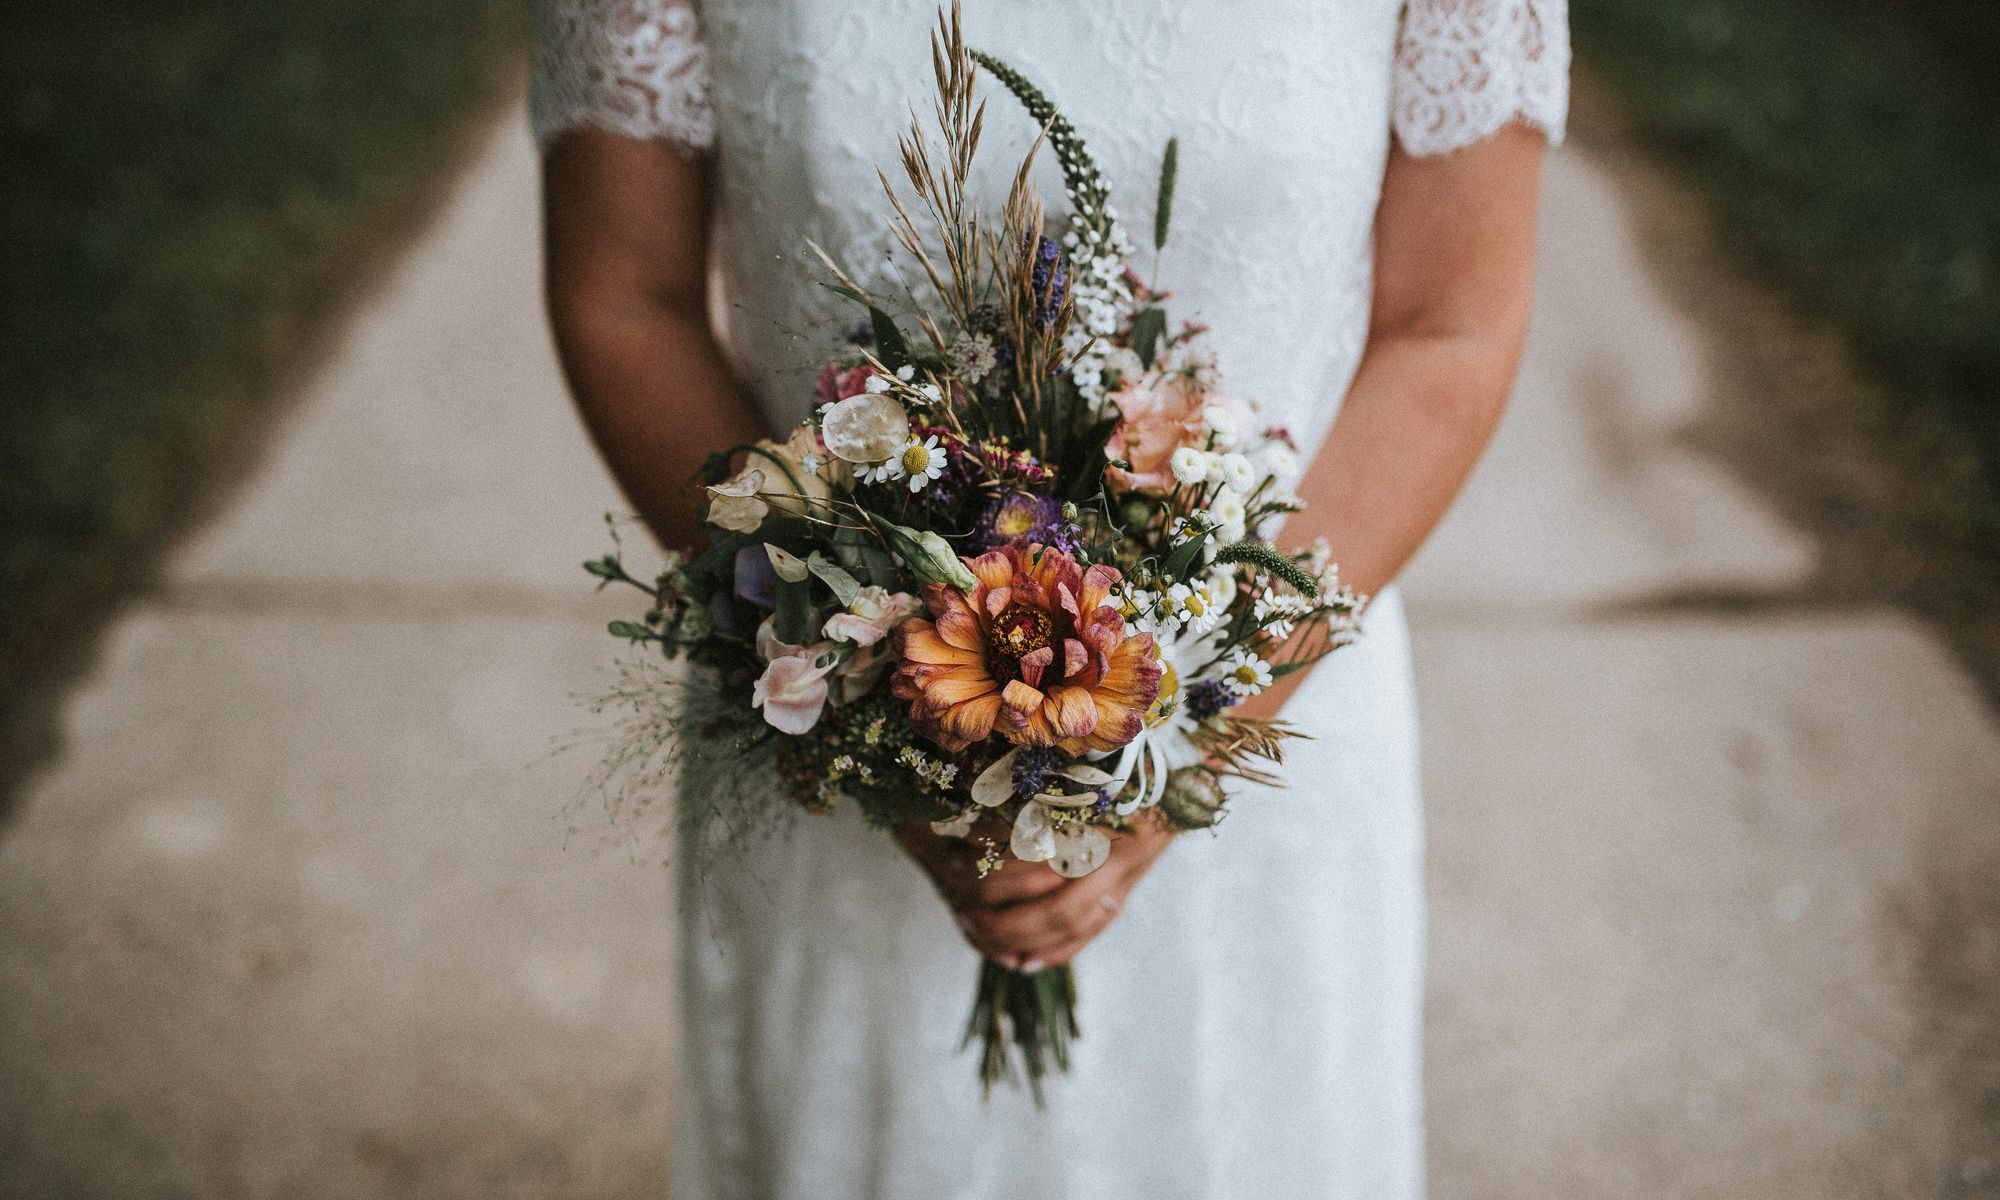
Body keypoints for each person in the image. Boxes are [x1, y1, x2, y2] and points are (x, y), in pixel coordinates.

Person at [534, 1, 1566, 1195]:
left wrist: (1177, 747)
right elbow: (626, 296)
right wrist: (871, 706)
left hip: (1272, 718)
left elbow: (1449, 323)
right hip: (833, 723)